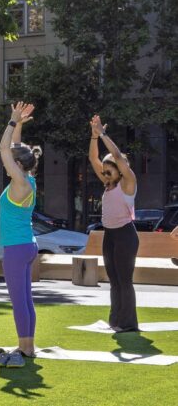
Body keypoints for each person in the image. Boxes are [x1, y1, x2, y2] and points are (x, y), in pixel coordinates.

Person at [0, 102, 40, 369]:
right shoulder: (27, 179)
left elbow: (3, 148)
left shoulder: (20, 182)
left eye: (13, 160)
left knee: (18, 301)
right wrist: (19, 124)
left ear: (18, 164)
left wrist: (11, 120)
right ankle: (28, 346)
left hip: (16, 248)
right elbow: (15, 148)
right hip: (27, 245)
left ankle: (24, 347)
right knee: (26, 299)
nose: (8, 161)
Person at [89, 114, 139, 333]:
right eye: (105, 171)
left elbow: (117, 156)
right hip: (109, 235)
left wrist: (103, 134)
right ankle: (116, 321)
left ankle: (128, 323)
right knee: (114, 280)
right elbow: (93, 158)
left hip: (125, 235)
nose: (105, 174)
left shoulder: (128, 183)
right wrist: (93, 137)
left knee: (124, 280)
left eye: (109, 171)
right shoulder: (108, 183)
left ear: (120, 170)